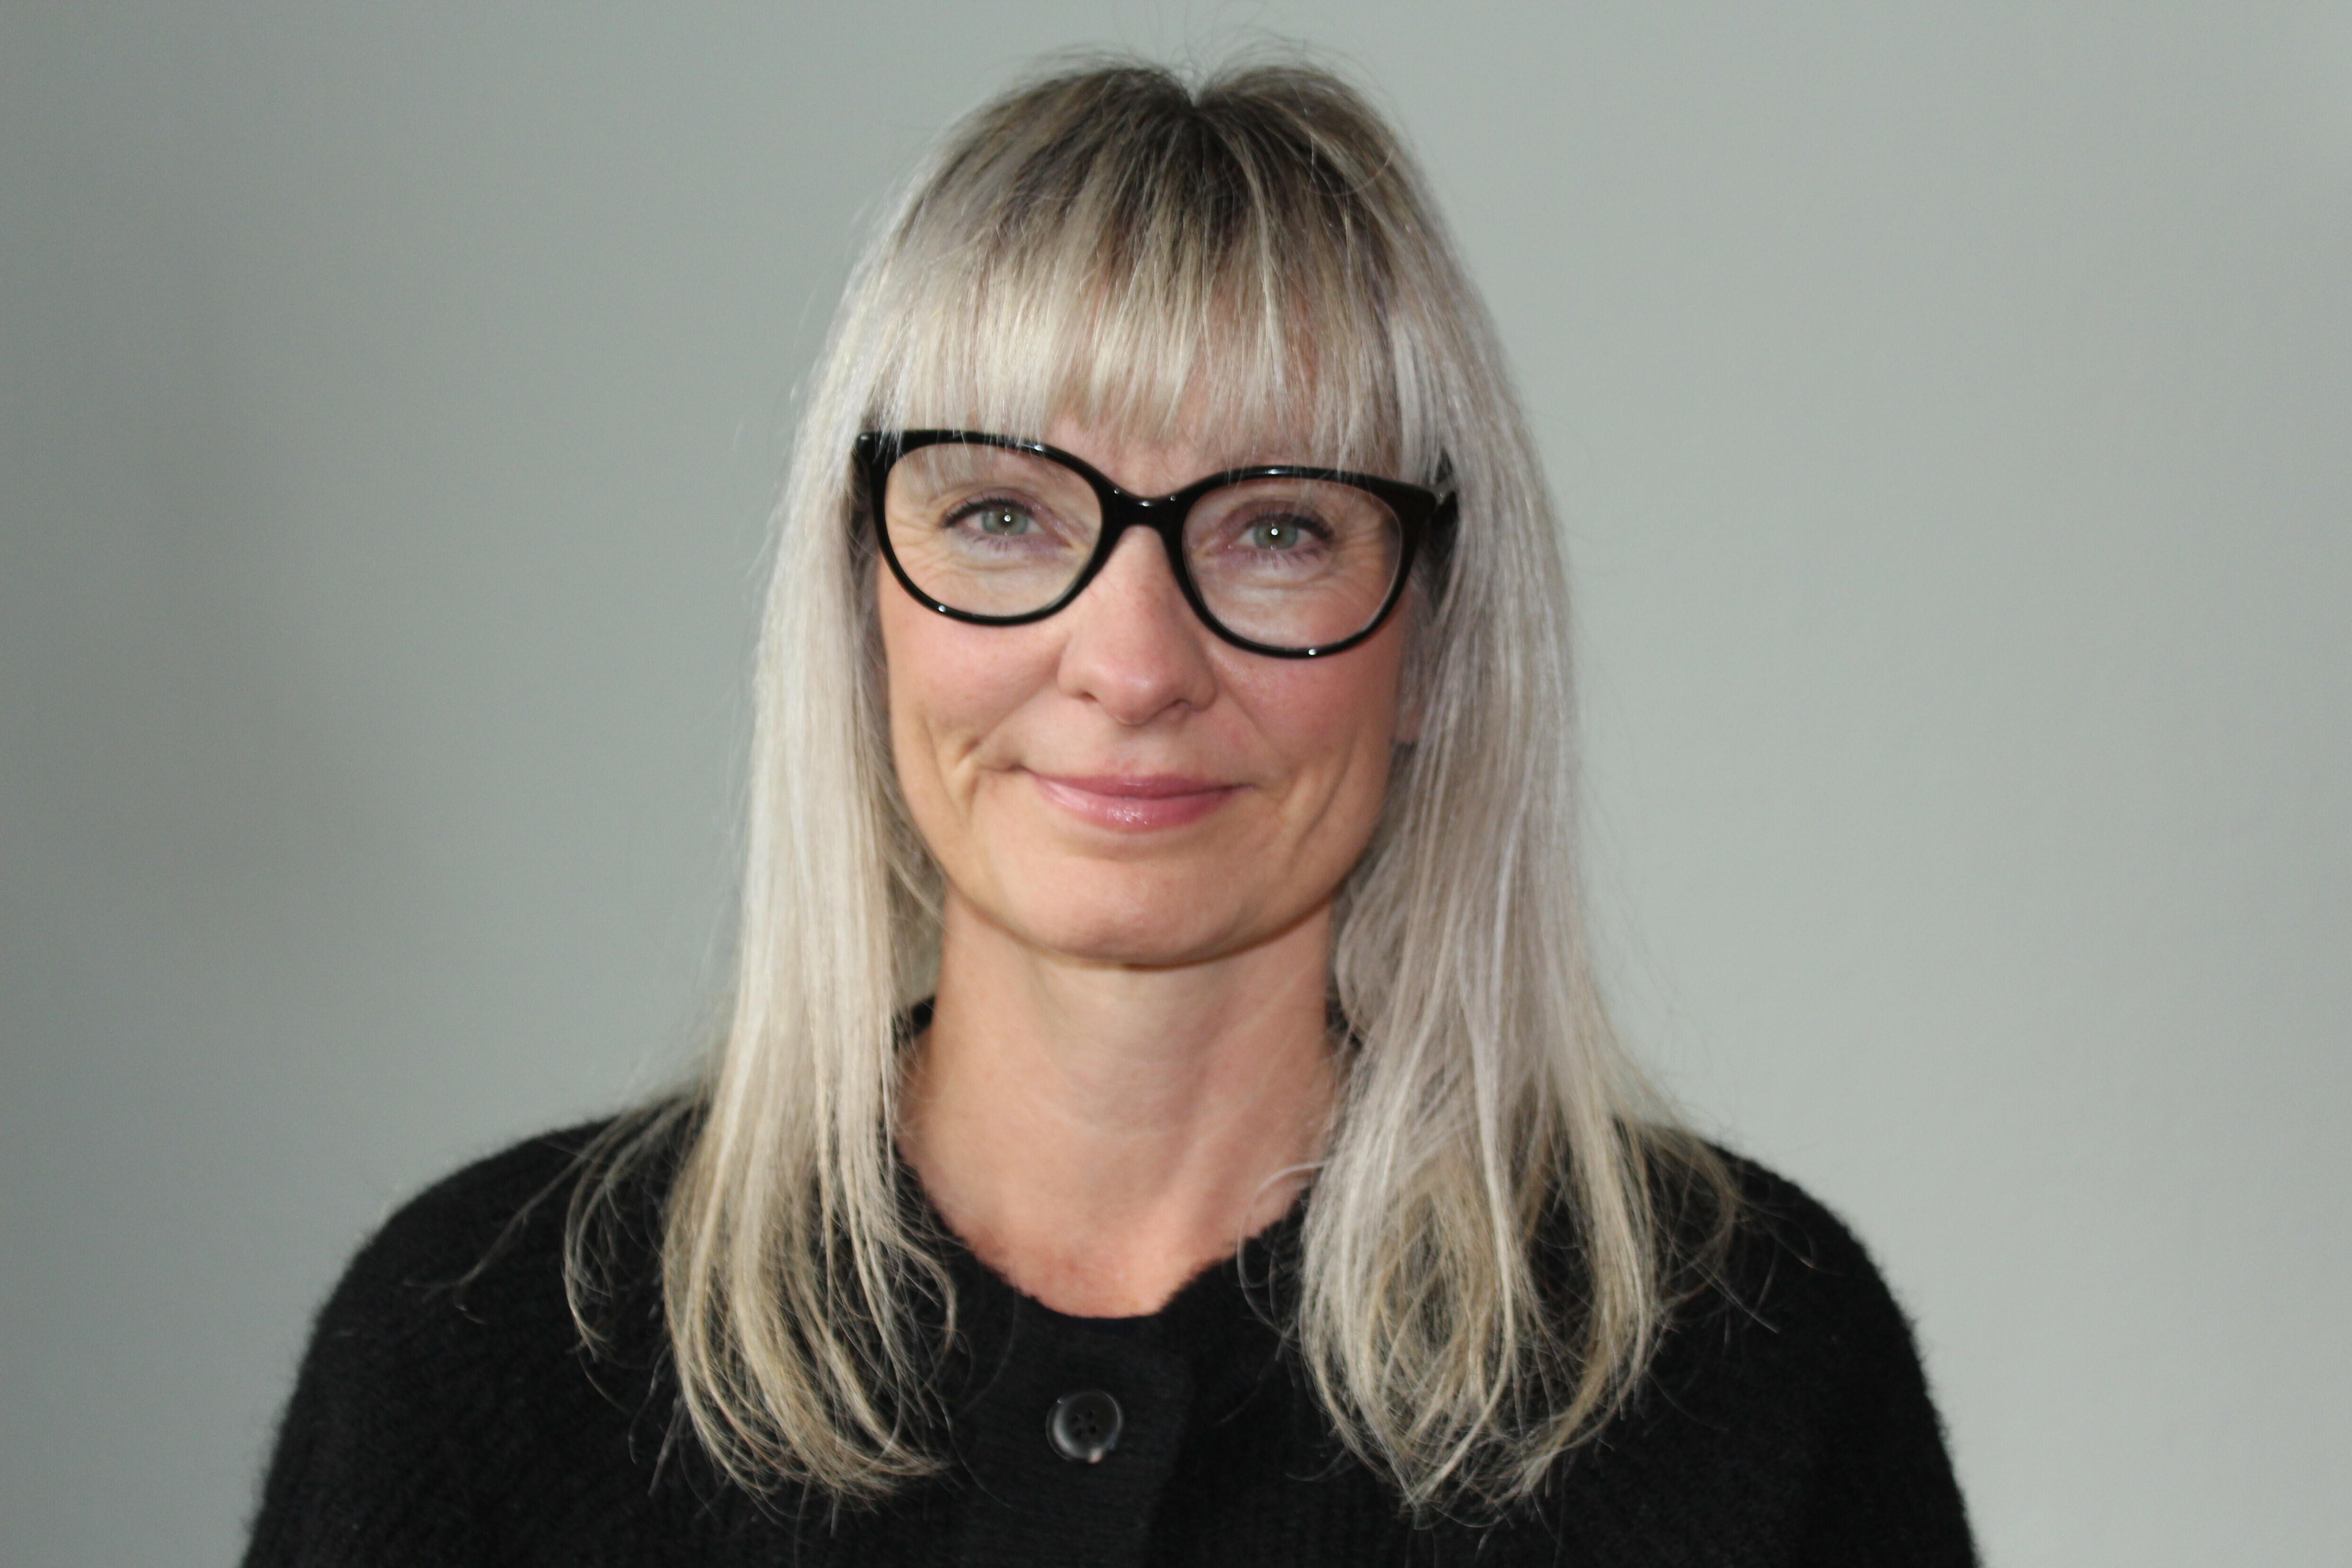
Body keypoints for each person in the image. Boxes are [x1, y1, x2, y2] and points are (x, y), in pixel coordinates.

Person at [243, 57, 1974, 1567]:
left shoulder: (1749, 1377)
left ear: (1433, 636)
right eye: (1002, 514)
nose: (1133, 663)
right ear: (860, 600)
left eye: (1278, 527)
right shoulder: (476, 1357)